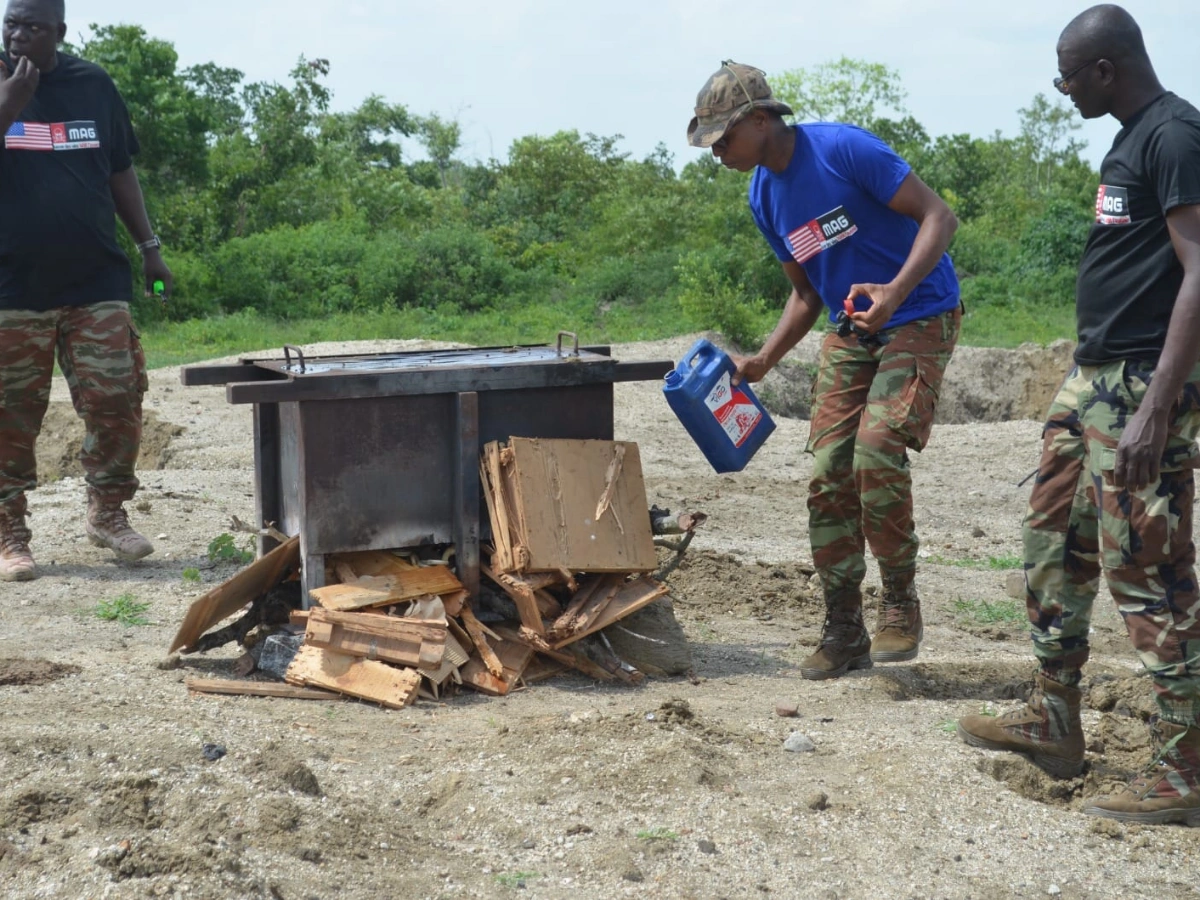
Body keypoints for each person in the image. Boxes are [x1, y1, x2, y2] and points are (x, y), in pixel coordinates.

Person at [957, 4, 1200, 825]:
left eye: (1067, 73)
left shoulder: (1174, 136)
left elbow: (1199, 268)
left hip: (1138, 389)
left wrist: (1158, 408)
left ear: (1104, 69)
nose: (1059, 88)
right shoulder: (1129, 138)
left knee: (1148, 570)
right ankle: (1054, 718)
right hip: (1092, 381)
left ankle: (1185, 770)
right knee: (1054, 542)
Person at [686, 62, 961, 680]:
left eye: (723, 139)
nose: (719, 153)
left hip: (919, 311)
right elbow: (808, 294)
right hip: (851, 328)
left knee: (876, 449)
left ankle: (899, 601)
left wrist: (892, 291)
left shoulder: (843, 150)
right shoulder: (764, 195)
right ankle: (843, 629)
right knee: (829, 469)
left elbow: (939, 217)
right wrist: (762, 359)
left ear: (761, 120)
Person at [0, 0, 171, 581]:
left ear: (60, 33)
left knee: (117, 397)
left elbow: (120, 168)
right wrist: (10, 104)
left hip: (95, 277)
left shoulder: (92, 84)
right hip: (11, 287)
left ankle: (108, 511)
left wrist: (150, 248)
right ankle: (10, 534)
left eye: (33, 26)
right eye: (11, 24)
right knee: (10, 415)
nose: (20, 36)